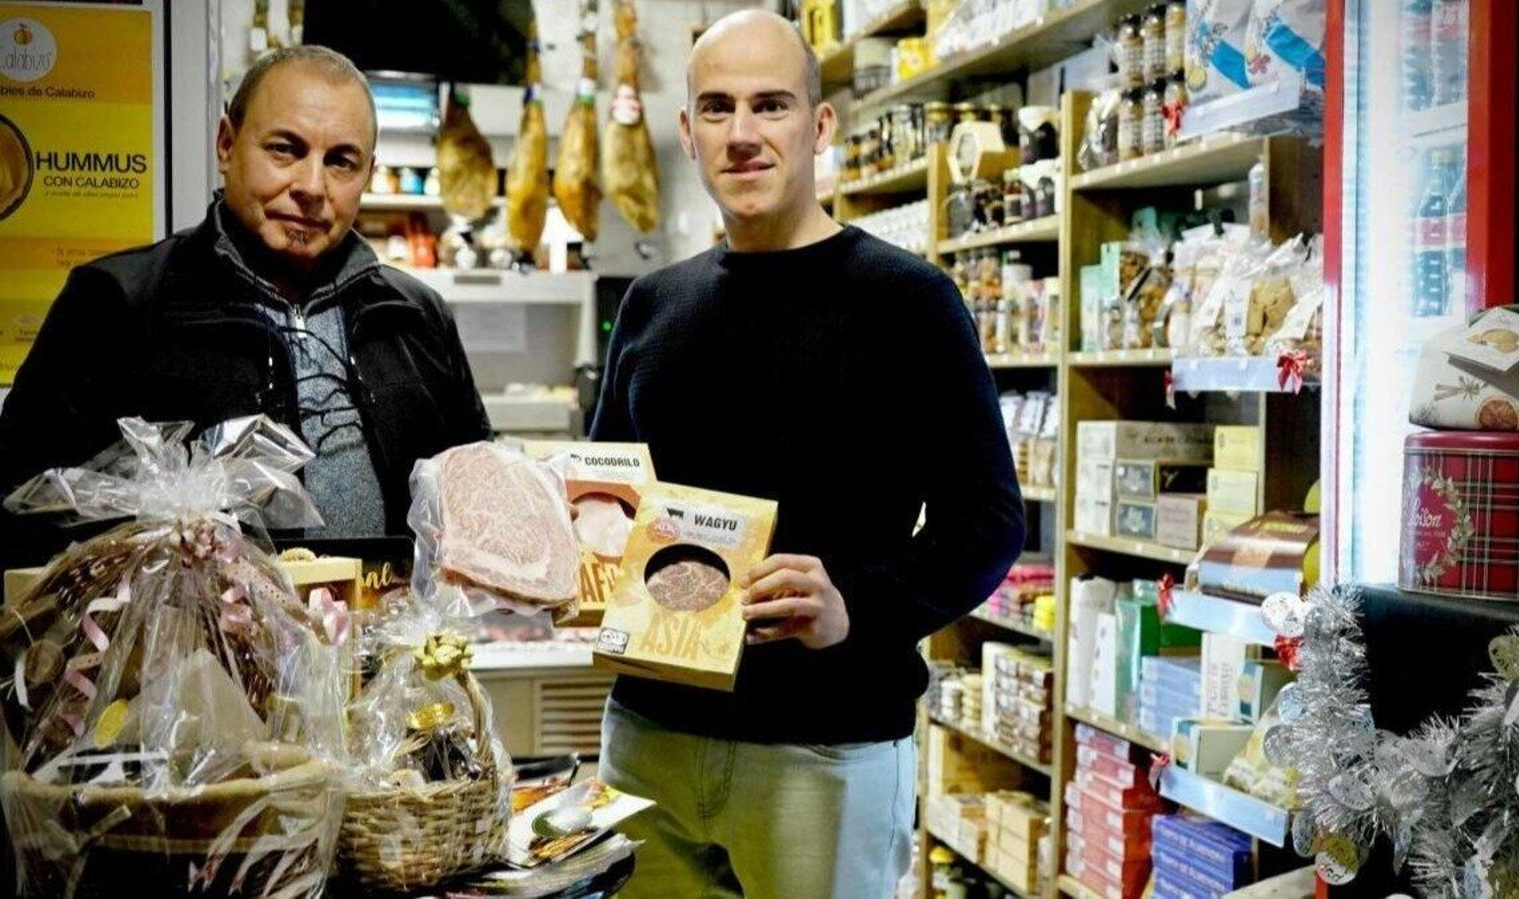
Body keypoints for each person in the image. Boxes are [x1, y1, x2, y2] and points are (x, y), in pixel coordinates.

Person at [591, 10, 1025, 899]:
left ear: (820, 126)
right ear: (687, 132)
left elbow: (987, 521)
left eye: (770, 105)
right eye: (716, 108)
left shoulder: (911, 303)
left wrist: (854, 606)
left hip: (824, 749)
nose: (743, 134)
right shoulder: (652, 303)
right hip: (646, 743)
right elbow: (607, 499)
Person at [0, 45, 490, 570]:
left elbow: (479, 499)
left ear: (368, 175)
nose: (310, 187)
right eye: (285, 149)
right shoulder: (117, 302)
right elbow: (21, 514)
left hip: (394, 643)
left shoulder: (417, 316)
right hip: (190, 645)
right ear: (227, 144)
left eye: (340, 162)